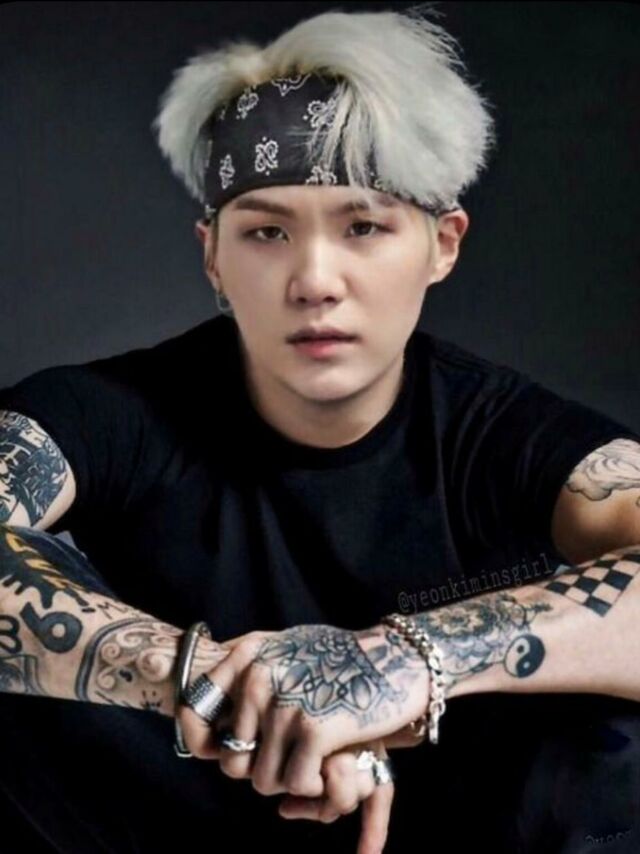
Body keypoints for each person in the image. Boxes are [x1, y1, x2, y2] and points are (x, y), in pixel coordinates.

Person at [1, 4, 640, 852]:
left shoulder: (506, 435)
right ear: (213, 255)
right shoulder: (112, 414)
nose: (314, 280)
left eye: (364, 227)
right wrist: (215, 683)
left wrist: (396, 665)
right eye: (267, 232)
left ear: (443, 245)